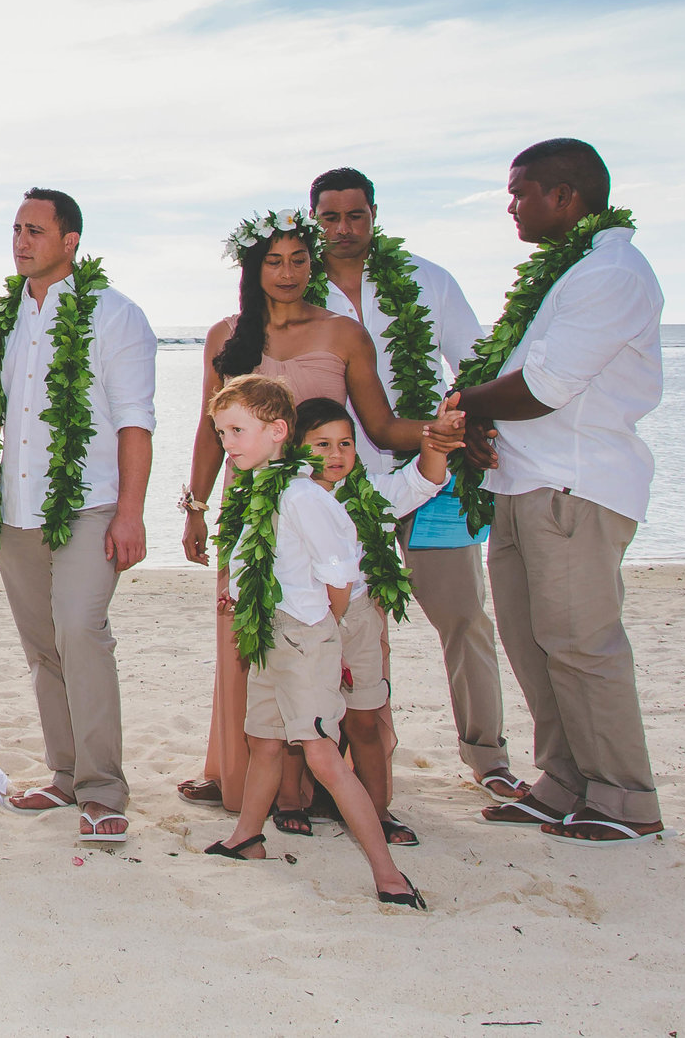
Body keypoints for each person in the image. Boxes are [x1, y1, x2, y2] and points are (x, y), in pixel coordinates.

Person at [451, 139, 667, 844]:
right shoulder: (565, 271)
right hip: (523, 482)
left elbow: (544, 387)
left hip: (574, 485)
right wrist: (482, 420)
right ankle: (564, 781)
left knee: (581, 642)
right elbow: (524, 377)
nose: (512, 205)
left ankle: (626, 798)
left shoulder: (611, 273)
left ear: (566, 194)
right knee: (530, 639)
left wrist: (464, 402)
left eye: (521, 191)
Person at [178, 210, 430, 812]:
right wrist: (195, 506)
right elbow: (211, 431)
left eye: (298, 259)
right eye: (273, 260)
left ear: (312, 264)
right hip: (251, 516)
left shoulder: (344, 333)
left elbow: (381, 426)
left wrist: (442, 435)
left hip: (323, 512)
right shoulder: (226, 335)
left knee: (331, 639)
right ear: (253, 267)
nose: (287, 272)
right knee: (252, 645)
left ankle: (335, 784)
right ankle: (247, 778)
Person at [311, 166, 520, 803]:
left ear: (375, 214)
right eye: (331, 218)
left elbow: (476, 362)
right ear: (315, 218)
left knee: (462, 617)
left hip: (434, 479)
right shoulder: (297, 287)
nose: (344, 230)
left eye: (356, 216)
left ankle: (488, 756)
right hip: (337, 488)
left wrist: (466, 430)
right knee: (349, 625)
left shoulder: (428, 281)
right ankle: (353, 757)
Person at [0, 188, 155, 844]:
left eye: (34, 230)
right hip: (15, 509)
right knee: (43, 647)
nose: (20, 240)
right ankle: (65, 773)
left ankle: (103, 787)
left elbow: (134, 424)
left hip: (90, 503)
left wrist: (132, 512)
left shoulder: (115, 316)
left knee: (80, 631)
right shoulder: (1, 316)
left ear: (71, 241)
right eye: (15, 228)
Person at [203, 375, 425, 910]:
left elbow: (339, 573)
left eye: (236, 430)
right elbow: (268, 555)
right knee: (265, 740)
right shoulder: (260, 487)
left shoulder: (304, 496)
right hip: (268, 634)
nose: (226, 443)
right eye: (221, 432)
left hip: (304, 638)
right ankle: (247, 838)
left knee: (323, 754)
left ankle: (389, 874)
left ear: (278, 431)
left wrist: (322, 633)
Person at [287, 396, 460, 848]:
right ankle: (293, 801)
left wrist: (438, 441)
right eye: (321, 444)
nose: (336, 454)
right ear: (293, 446)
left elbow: (421, 480)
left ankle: (378, 813)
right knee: (302, 720)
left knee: (364, 719)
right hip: (303, 622)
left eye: (345, 443)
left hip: (358, 619)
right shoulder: (286, 497)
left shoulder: (372, 494)